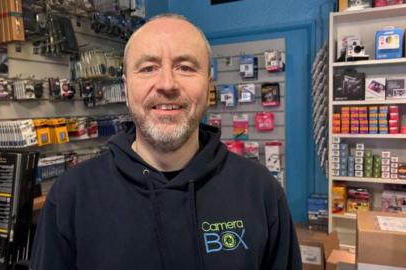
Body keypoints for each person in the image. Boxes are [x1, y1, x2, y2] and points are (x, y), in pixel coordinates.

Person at [31, 13, 301, 270]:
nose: (167, 84)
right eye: (148, 68)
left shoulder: (260, 190)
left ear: (208, 87)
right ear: (126, 89)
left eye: (185, 67)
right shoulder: (71, 196)